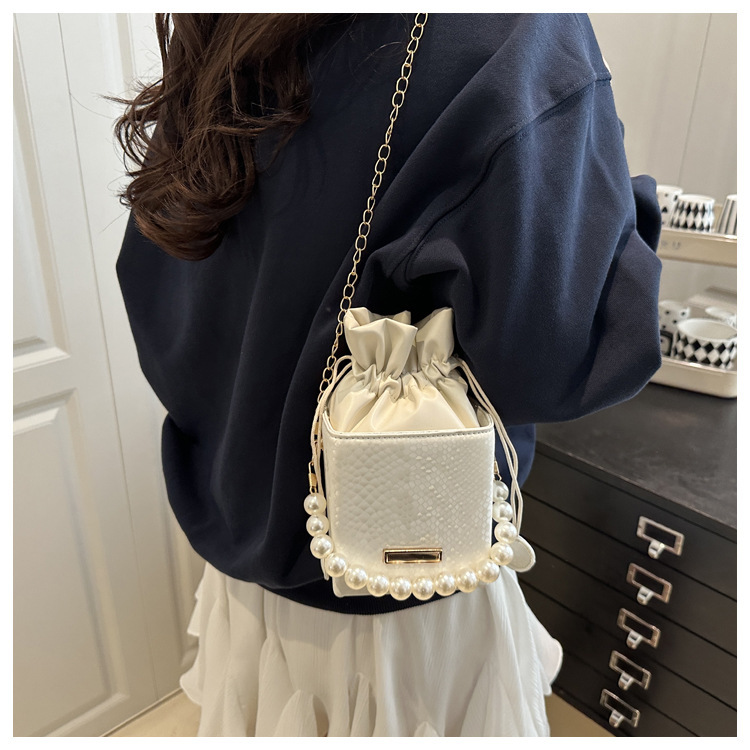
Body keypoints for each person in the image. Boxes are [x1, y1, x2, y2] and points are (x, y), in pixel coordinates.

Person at [113, 13, 662, 737]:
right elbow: (554, 358)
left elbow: (158, 288)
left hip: (243, 578)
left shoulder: (228, 23)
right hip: (408, 611)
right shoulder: (515, 31)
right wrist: (627, 211)